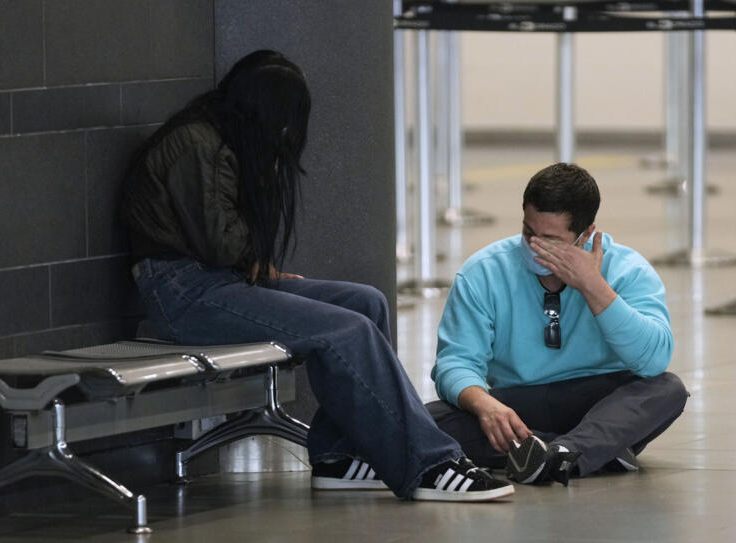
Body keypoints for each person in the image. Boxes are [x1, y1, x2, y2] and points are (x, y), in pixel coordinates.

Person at [120, 50, 512, 502]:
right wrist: (253, 246)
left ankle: (338, 456)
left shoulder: (219, 139)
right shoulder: (196, 144)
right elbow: (221, 244)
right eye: (286, 120)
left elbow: (220, 241)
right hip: (182, 291)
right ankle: (431, 462)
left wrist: (256, 265)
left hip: (212, 280)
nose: (288, 133)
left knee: (364, 302)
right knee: (346, 331)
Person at [427, 163, 689, 485]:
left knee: (667, 389)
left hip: (602, 400)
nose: (534, 247)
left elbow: (653, 359)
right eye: (528, 233)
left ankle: (560, 452)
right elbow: (455, 362)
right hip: (518, 403)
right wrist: (486, 406)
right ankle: (587, 452)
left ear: (586, 235)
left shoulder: (628, 270)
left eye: (550, 239)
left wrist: (594, 286)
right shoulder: (483, 271)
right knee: (424, 421)